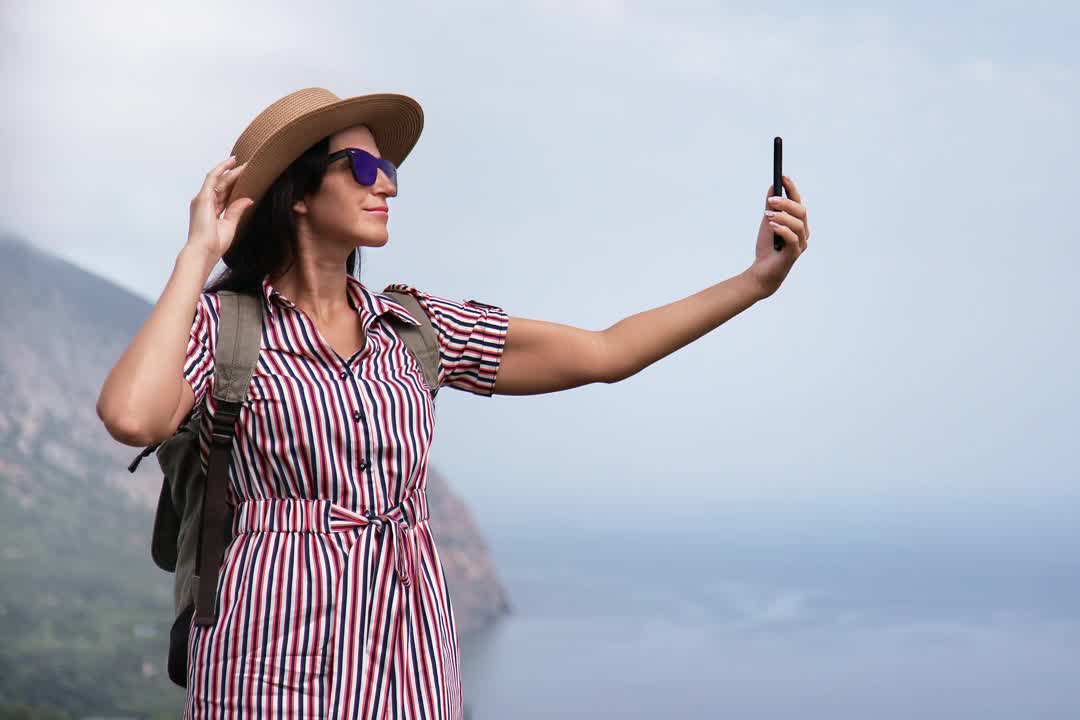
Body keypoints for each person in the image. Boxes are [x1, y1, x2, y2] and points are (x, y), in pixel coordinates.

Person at [95, 87, 811, 719]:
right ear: (299, 192)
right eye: (367, 169)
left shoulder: (415, 328)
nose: (390, 187)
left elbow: (605, 351)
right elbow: (131, 415)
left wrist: (753, 282)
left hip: (409, 666)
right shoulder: (223, 329)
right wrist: (197, 256)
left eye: (391, 170)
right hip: (268, 665)